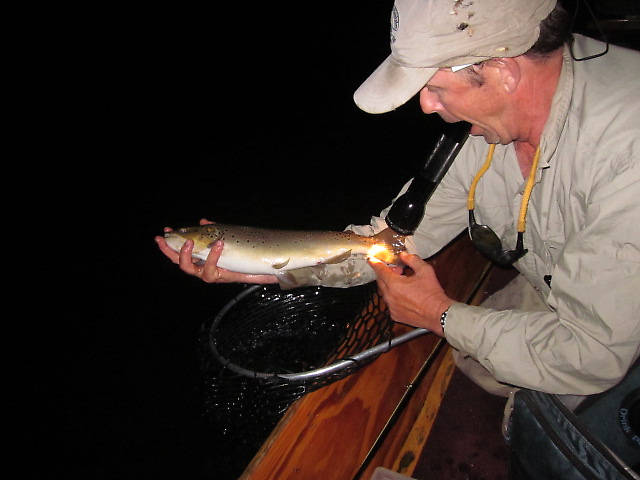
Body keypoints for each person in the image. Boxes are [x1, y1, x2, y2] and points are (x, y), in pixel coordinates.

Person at [156, 0, 639, 403]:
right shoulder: (479, 134)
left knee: (546, 410)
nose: (426, 106)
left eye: (433, 88)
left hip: (607, 338)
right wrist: (263, 267)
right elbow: (392, 239)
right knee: (478, 363)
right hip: (558, 284)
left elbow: (592, 353)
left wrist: (438, 314)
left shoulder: (628, 155)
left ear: (502, 71)